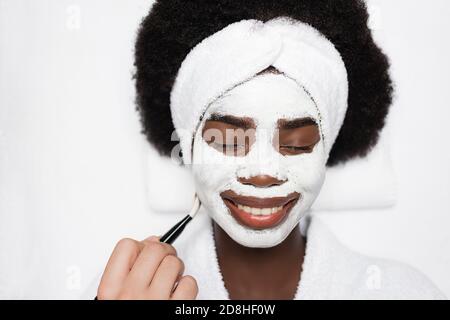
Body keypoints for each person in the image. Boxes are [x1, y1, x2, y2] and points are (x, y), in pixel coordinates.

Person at [94, 0, 445, 300]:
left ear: (325, 151)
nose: (263, 172)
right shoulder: (126, 290)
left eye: (296, 144)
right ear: (188, 146)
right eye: (230, 141)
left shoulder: (402, 292)